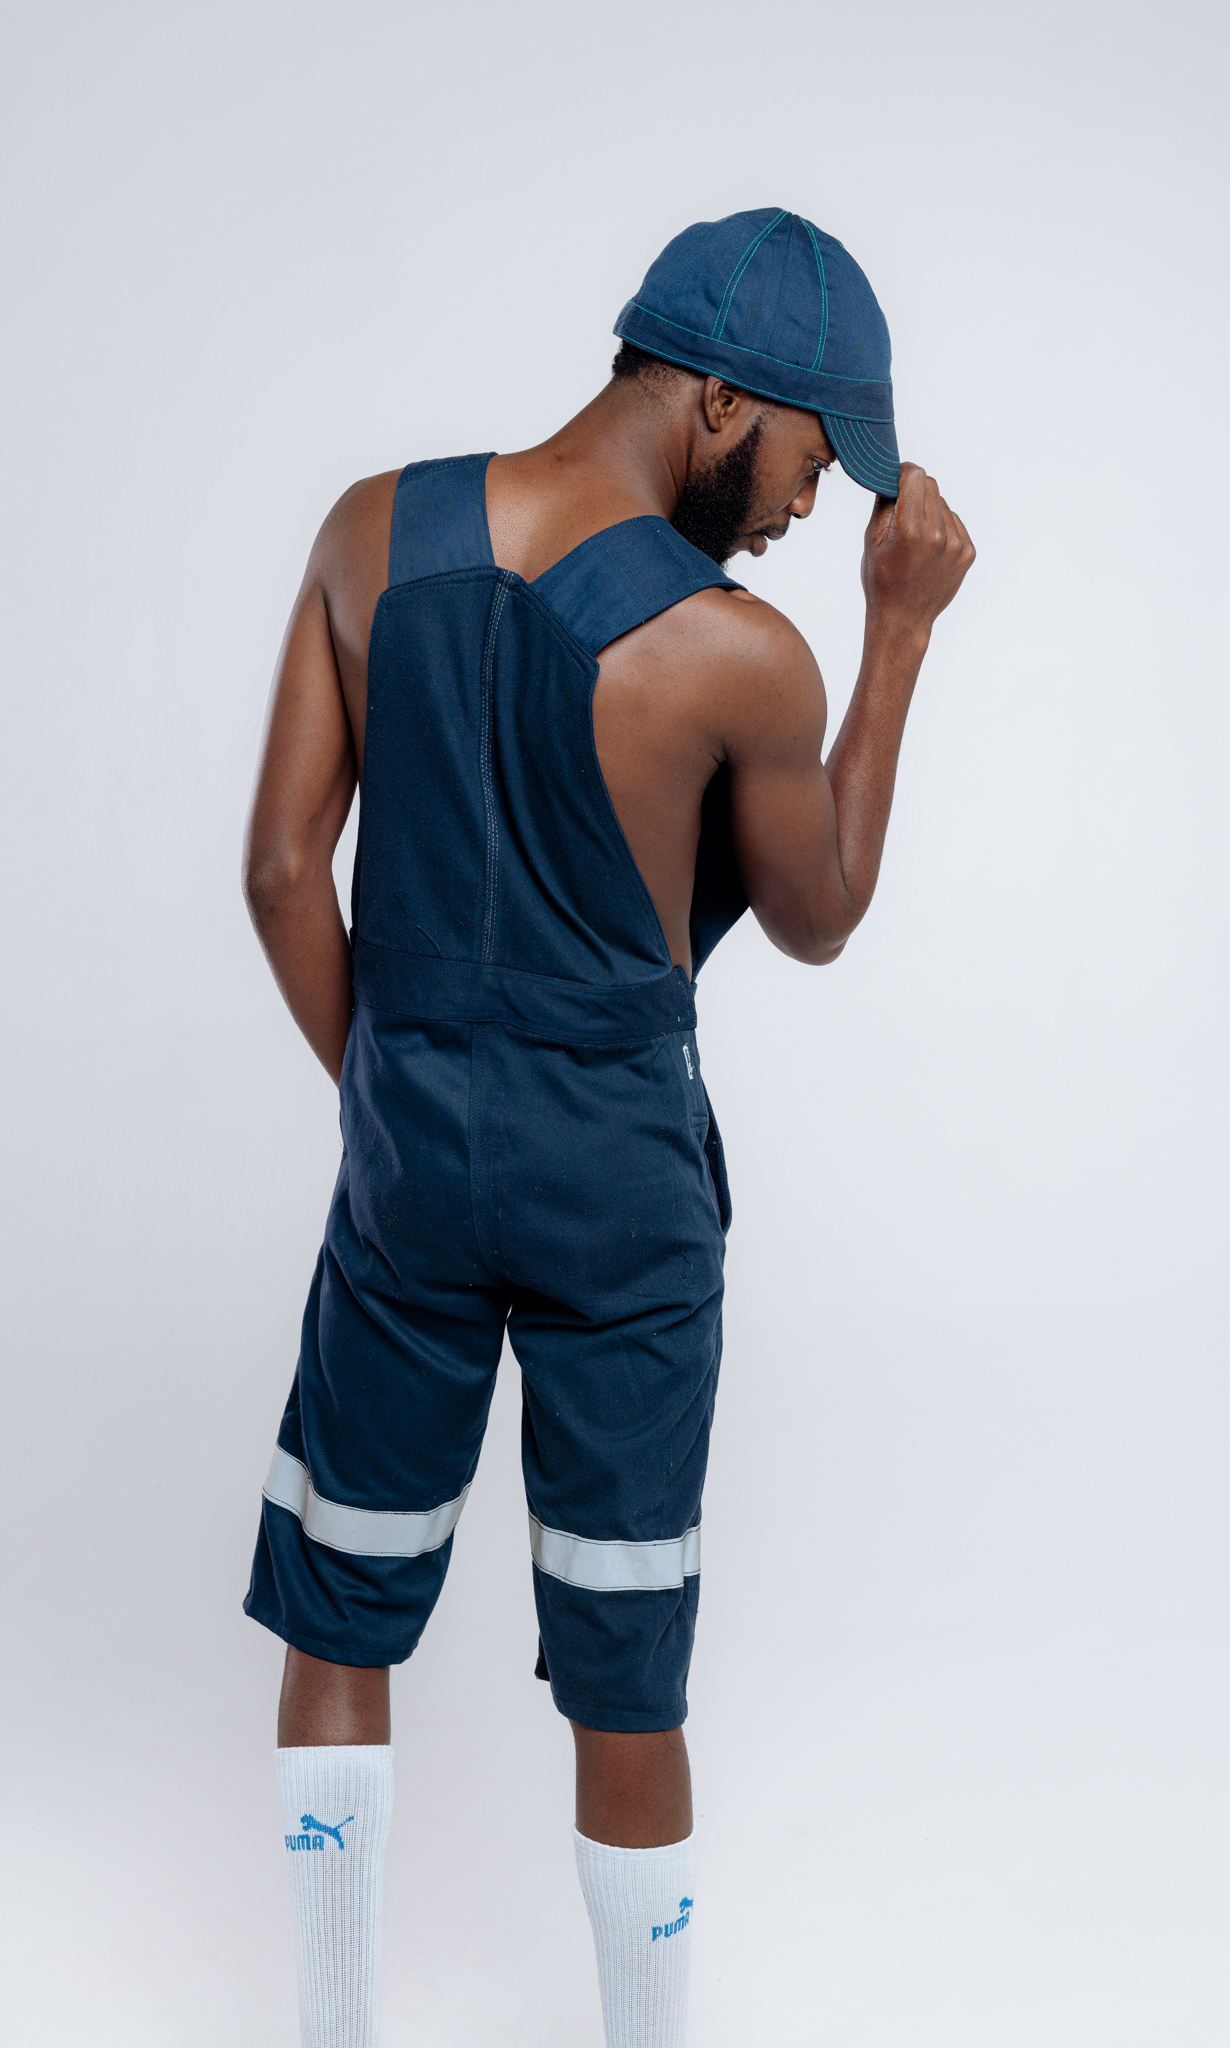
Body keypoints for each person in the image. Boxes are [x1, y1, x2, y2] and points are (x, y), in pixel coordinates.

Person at [241, 206, 974, 2048]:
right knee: (623, 1655)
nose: (810, 504)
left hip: (407, 1164)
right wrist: (895, 636)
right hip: (621, 1193)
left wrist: (403, 1105)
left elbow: (280, 876)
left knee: (342, 1603)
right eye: (811, 455)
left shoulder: (364, 531)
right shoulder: (740, 654)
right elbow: (817, 915)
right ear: (722, 400)